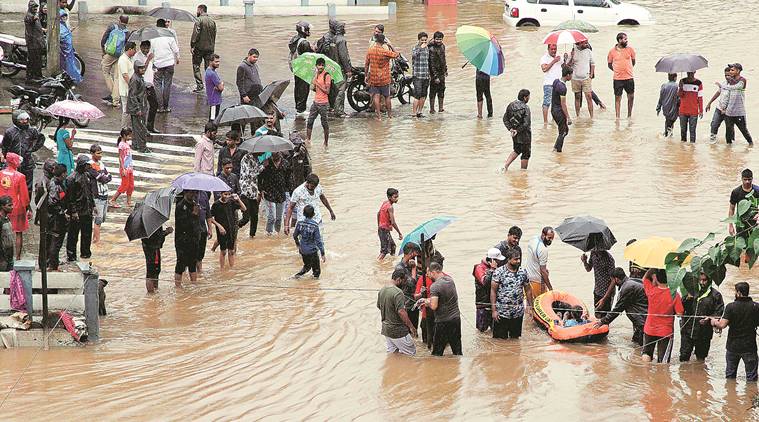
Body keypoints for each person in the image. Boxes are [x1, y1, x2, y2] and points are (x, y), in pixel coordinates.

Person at [707, 282, 759, 381]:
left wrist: (713, 321)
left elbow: (722, 325)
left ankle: (731, 394)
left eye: (735, 291)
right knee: (752, 378)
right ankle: (752, 395)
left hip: (733, 347)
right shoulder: (756, 307)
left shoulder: (731, 307)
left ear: (738, 292)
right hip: (750, 347)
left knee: (730, 377)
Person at [417, 262, 461, 356]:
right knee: (457, 350)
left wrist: (426, 301)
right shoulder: (450, 280)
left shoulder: (435, 286)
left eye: (429, 273)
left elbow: (434, 306)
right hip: (456, 319)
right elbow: (444, 299)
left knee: (437, 353)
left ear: (434, 272)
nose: (428, 275)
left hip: (443, 322)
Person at [641, 268, 684, 363]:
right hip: (665, 332)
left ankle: (644, 374)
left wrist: (652, 269)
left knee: (646, 353)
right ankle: (661, 377)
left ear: (656, 278)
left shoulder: (651, 290)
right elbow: (680, 313)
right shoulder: (674, 294)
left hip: (649, 328)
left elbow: (644, 279)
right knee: (663, 360)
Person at [679, 272, 724, 362]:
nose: (702, 283)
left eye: (704, 280)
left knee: (701, 358)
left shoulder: (715, 295)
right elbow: (681, 308)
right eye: (700, 280)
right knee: (684, 356)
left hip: (704, 332)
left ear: (709, 281)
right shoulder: (691, 291)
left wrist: (709, 318)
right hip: (687, 330)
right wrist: (688, 298)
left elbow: (719, 311)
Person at [596, 268, 648, 345]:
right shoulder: (630, 282)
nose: (612, 283)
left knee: (642, 347)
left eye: (612, 280)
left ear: (616, 279)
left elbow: (618, 309)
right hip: (643, 319)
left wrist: (603, 321)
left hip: (643, 321)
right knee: (636, 343)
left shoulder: (627, 287)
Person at [2, 111, 45, 199]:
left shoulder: (32, 130)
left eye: (26, 119)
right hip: (13, 164)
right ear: (15, 120)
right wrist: (8, 158)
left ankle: (26, 206)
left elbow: (41, 138)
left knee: (27, 187)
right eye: (21, 120)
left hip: (27, 163)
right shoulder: (10, 132)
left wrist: (32, 149)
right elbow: (5, 147)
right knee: (12, 185)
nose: (25, 121)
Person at [490, 248, 529, 339]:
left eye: (519, 258)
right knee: (499, 340)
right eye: (515, 259)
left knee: (515, 340)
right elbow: (493, 292)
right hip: (502, 313)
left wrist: (530, 307)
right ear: (508, 259)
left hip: (517, 313)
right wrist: (494, 310)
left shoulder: (523, 272)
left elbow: (528, 289)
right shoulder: (499, 272)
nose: (518, 261)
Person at [378, 269, 418, 356]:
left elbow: (379, 306)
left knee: (393, 355)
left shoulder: (382, 290)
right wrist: (411, 327)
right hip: (398, 331)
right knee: (411, 354)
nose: (404, 284)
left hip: (386, 329)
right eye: (403, 281)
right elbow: (401, 312)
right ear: (399, 279)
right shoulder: (398, 293)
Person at [0, 153, 30, 261]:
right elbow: (25, 197)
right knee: (18, 233)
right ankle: (17, 257)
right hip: (16, 207)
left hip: (2, 207)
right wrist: (27, 208)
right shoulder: (20, 176)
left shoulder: (0, 174)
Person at [66, 155, 95, 262]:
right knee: (73, 235)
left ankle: (85, 253)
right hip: (78, 211)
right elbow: (70, 197)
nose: (89, 166)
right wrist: (73, 212)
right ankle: (71, 255)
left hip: (87, 209)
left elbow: (89, 192)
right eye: (87, 164)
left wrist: (93, 206)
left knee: (87, 234)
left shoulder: (87, 175)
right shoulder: (72, 178)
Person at [365, 34, 400, 120]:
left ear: (376, 40)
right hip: (384, 78)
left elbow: (366, 64)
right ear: (383, 41)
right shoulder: (385, 52)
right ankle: (389, 116)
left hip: (374, 77)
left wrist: (366, 75)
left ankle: (379, 117)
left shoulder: (370, 50)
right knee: (387, 96)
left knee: (376, 96)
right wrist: (390, 45)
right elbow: (397, 55)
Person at [321, 19, 351, 116]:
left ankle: (333, 108)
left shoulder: (333, 39)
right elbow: (344, 56)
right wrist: (348, 70)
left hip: (332, 68)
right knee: (341, 91)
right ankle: (339, 111)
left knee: (334, 89)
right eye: (344, 28)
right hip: (340, 69)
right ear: (342, 29)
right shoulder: (341, 40)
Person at [211, 189, 245, 270]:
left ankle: (231, 269)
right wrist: (219, 226)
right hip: (222, 231)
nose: (227, 196)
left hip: (231, 230)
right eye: (225, 194)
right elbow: (210, 218)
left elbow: (244, 208)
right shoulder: (216, 204)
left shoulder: (231, 202)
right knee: (223, 251)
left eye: (229, 194)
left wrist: (238, 199)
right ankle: (222, 269)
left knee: (232, 251)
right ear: (221, 194)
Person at [257, 152, 290, 235]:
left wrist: (289, 190)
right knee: (272, 217)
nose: (275, 154)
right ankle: (269, 233)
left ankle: (277, 234)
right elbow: (259, 177)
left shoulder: (285, 163)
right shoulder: (266, 163)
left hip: (281, 193)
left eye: (277, 153)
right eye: (273, 153)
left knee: (279, 218)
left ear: (280, 153)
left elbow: (289, 177)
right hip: (269, 192)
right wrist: (261, 189)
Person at [151, 19, 180, 113]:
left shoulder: (153, 38)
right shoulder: (169, 36)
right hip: (169, 64)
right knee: (167, 85)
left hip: (158, 64)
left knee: (157, 85)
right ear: (164, 26)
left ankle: (160, 107)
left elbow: (150, 53)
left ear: (157, 26)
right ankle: (166, 107)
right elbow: (176, 50)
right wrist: (177, 58)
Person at [524, 227, 555, 314]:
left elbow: (533, 258)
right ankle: (533, 324)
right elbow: (543, 271)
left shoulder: (533, 239)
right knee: (540, 307)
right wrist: (550, 288)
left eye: (552, 238)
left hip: (527, 277)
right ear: (543, 235)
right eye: (549, 238)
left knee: (529, 304)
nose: (551, 241)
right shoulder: (543, 250)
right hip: (537, 281)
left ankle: (527, 322)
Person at [100, 15, 129, 105]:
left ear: (119, 20)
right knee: (117, 77)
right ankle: (115, 100)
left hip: (109, 53)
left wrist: (103, 51)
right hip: (120, 55)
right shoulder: (127, 32)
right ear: (127, 22)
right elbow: (127, 46)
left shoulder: (112, 27)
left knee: (105, 71)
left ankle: (113, 94)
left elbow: (103, 40)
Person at [721, 63, 753, 145]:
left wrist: (723, 86)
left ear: (738, 71)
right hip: (729, 111)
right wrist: (724, 107)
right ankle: (728, 151)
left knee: (744, 131)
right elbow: (727, 95)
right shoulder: (730, 80)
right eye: (730, 70)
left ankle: (751, 145)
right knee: (728, 132)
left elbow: (738, 87)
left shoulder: (742, 80)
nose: (730, 72)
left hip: (739, 112)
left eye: (732, 70)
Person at [174, 190, 201, 286]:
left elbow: (197, 224)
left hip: (194, 240)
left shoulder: (195, 205)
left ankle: (194, 285)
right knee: (180, 265)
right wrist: (193, 214)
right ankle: (178, 288)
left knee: (193, 264)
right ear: (185, 193)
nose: (193, 194)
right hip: (182, 240)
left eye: (195, 193)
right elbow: (183, 224)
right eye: (191, 192)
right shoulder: (180, 206)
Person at [607, 33, 636, 120]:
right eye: (625, 39)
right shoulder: (612, 51)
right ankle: (617, 117)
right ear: (619, 40)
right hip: (617, 79)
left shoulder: (630, 49)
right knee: (617, 98)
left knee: (631, 97)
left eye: (626, 39)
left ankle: (629, 115)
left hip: (629, 77)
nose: (626, 41)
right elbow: (609, 64)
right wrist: (616, 70)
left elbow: (633, 62)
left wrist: (628, 69)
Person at [474, 248, 503, 332]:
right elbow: (485, 283)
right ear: (492, 260)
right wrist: (492, 270)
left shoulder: (497, 268)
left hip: (494, 304)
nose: (500, 262)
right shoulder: (479, 268)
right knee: (482, 332)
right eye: (498, 260)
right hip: (483, 305)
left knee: (495, 331)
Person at [46, 164, 69, 270]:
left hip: (56, 217)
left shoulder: (58, 183)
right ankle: (53, 265)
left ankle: (52, 263)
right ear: (63, 174)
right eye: (65, 173)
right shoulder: (55, 185)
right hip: (55, 219)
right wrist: (62, 213)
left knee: (54, 241)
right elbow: (52, 202)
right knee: (55, 242)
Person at [293, 205, 325, 278]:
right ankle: (315, 287)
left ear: (303, 214)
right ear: (313, 214)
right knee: (317, 272)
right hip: (312, 251)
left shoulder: (299, 223)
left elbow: (295, 235)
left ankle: (297, 276)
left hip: (303, 250)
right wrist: (323, 253)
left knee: (307, 266)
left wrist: (298, 244)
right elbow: (318, 241)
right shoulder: (315, 226)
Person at [581, 248, 615, 317]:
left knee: (605, 318)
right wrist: (584, 261)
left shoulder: (609, 259)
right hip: (597, 290)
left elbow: (613, 280)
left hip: (607, 293)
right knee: (597, 315)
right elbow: (589, 269)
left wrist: (604, 299)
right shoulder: (593, 253)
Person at [503, 89, 532, 170]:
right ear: (525, 98)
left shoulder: (510, 105)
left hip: (514, 134)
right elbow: (526, 123)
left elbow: (505, 119)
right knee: (526, 154)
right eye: (528, 97)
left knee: (517, 150)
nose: (529, 99)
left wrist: (511, 129)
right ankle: (523, 173)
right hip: (525, 134)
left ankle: (505, 166)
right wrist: (517, 130)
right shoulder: (526, 108)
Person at [306, 57, 332, 146]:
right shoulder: (316, 74)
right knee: (310, 121)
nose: (321, 67)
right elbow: (316, 89)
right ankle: (308, 140)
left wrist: (318, 84)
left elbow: (327, 91)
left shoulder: (327, 76)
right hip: (315, 102)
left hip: (323, 103)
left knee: (324, 123)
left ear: (324, 66)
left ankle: (326, 143)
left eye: (322, 65)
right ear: (316, 66)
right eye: (319, 65)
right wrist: (313, 87)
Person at [191, 4, 216, 93]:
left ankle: (200, 86)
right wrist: (212, 47)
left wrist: (192, 46)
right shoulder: (212, 21)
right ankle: (210, 86)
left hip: (199, 48)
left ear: (200, 10)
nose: (196, 12)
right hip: (210, 48)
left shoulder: (198, 20)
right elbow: (214, 36)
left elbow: (195, 34)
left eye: (197, 10)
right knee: (208, 68)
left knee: (196, 66)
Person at [89, 144, 112, 244]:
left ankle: (95, 239)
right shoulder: (90, 165)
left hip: (104, 194)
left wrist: (105, 177)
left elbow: (109, 176)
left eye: (101, 153)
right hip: (97, 196)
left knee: (102, 219)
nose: (100, 155)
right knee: (98, 219)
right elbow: (102, 177)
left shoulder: (101, 164)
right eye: (98, 153)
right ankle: (97, 241)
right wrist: (105, 177)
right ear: (92, 153)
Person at [289, 21, 313, 115]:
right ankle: (301, 109)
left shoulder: (295, 39)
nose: (309, 31)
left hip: (296, 66)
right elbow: (309, 55)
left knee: (298, 87)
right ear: (303, 30)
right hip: (304, 68)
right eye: (308, 29)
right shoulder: (304, 42)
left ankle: (298, 107)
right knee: (303, 88)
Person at [238, 152, 264, 238]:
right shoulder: (246, 158)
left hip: (253, 192)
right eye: (262, 150)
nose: (264, 152)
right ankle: (233, 229)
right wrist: (263, 166)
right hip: (245, 191)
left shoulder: (256, 159)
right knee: (246, 218)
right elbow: (250, 174)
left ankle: (252, 237)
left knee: (255, 217)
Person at [396, 242, 421, 331]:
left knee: (414, 330)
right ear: (411, 253)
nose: (416, 256)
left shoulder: (410, 265)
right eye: (415, 254)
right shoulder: (400, 268)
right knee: (408, 331)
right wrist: (414, 269)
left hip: (414, 302)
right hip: (406, 304)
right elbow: (411, 283)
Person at [134, 40, 158, 133]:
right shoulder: (137, 57)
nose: (146, 50)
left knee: (154, 105)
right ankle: (142, 127)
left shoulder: (149, 55)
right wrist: (148, 59)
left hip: (150, 84)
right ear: (140, 47)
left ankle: (150, 125)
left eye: (147, 48)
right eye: (144, 48)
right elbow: (141, 70)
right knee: (143, 107)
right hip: (142, 84)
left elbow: (150, 68)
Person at [728, 168, 759, 237]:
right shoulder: (736, 192)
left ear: (752, 179)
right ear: (741, 179)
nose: (747, 182)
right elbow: (731, 209)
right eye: (745, 179)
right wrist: (730, 225)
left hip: (754, 222)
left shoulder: (757, 190)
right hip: (740, 223)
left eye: (749, 179)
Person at [141, 225, 173, 293]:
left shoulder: (149, 222)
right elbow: (157, 236)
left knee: (156, 270)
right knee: (151, 271)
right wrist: (166, 232)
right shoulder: (151, 222)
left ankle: (155, 290)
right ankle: (151, 293)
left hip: (151, 246)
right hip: (152, 247)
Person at [568, 40, 595, 118]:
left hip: (586, 78)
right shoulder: (573, 51)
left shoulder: (588, 51)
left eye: (587, 42)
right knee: (577, 97)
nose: (586, 44)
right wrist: (571, 58)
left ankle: (591, 117)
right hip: (575, 78)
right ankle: (578, 116)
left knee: (589, 96)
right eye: (584, 43)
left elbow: (592, 63)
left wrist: (591, 75)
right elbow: (568, 65)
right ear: (579, 43)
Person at [705, 67, 732, 143]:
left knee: (729, 128)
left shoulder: (734, 86)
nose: (727, 77)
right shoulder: (723, 83)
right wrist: (709, 103)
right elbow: (718, 93)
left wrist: (726, 109)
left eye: (729, 75)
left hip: (729, 111)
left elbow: (734, 100)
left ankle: (730, 145)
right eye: (725, 75)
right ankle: (712, 142)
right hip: (719, 108)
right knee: (714, 124)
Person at [110, 128, 134, 208]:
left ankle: (129, 201)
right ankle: (113, 199)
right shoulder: (121, 145)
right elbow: (120, 157)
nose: (130, 137)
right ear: (124, 135)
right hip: (125, 168)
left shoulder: (127, 143)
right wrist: (123, 168)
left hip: (129, 168)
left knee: (131, 185)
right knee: (124, 185)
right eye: (129, 135)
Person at [540, 44, 563, 124]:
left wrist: (568, 59)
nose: (554, 51)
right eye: (552, 49)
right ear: (548, 49)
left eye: (555, 49)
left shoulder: (559, 57)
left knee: (557, 103)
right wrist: (554, 61)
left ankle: (554, 120)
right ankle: (545, 122)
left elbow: (565, 67)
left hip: (558, 83)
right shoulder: (544, 58)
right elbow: (544, 69)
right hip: (548, 84)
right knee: (547, 102)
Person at [552, 66, 573, 153]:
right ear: (567, 75)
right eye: (571, 75)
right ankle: (557, 150)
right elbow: (563, 104)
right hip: (559, 111)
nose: (572, 77)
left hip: (553, 110)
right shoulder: (562, 88)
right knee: (563, 131)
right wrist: (568, 117)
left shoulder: (556, 81)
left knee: (564, 130)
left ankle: (556, 148)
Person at [677, 71, 703, 143]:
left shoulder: (699, 83)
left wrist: (701, 110)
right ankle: (683, 150)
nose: (690, 74)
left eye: (691, 72)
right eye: (688, 72)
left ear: (694, 72)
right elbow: (679, 95)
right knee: (683, 131)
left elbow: (700, 98)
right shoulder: (682, 81)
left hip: (694, 111)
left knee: (692, 132)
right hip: (683, 110)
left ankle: (692, 149)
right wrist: (681, 87)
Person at [377, 188, 402, 260]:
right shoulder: (390, 207)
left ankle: (391, 262)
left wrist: (379, 225)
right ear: (389, 197)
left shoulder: (385, 203)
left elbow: (378, 214)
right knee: (384, 251)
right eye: (395, 197)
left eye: (397, 196)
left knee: (393, 246)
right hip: (384, 230)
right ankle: (377, 264)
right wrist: (399, 233)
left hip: (382, 229)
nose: (397, 199)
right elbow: (393, 222)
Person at [24, 1, 46, 83]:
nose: (36, 9)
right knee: (32, 60)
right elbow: (30, 20)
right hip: (32, 42)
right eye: (34, 7)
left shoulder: (35, 15)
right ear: (30, 7)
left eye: (36, 7)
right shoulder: (29, 16)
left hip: (38, 41)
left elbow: (38, 28)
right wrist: (34, 18)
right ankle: (30, 77)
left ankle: (38, 75)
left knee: (38, 60)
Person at [116, 41, 137, 124]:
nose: (135, 51)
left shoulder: (129, 59)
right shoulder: (123, 60)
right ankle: (124, 128)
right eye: (134, 49)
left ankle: (128, 127)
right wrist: (132, 86)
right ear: (130, 49)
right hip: (126, 90)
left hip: (129, 89)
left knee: (130, 109)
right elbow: (125, 75)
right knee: (126, 110)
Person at [58, 10, 82, 84]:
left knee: (69, 65)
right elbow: (62, 37)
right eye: (62, 16)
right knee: (68, 65)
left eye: (65, 16)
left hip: (69, 50)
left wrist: (69, 31)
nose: (64, 18)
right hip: (65, 51)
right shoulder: (60, 26)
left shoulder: (63, 25)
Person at [428, 31, 447, 114]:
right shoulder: (431, 49)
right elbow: (431, 64)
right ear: (434, 39)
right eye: (437, 39)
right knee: (433, 92)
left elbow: (444, 59)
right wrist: (435, 76)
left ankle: (441, 108)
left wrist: (445, 69)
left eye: (440, 39)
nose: (438, 41)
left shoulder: (443, 46)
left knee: (442, 90)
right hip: (434, 73)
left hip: (442, 72)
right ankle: (432, 109)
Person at [411, 32, 430, 118]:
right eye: (422, 40)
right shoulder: (415, 48)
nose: (424, 42)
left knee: (424, 95)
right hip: (417, 76)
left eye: (425, 40)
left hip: (426, 76)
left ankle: (420, 112)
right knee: (417, 95)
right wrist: (420, 48)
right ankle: (414, 113)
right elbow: (413, 56)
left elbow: (428, 61)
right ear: (418, 40)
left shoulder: (427, 48)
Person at [656, 73, 679, 137]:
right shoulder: (677, 86)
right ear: (675, 77)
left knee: (668, 121)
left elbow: (661, 98)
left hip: (665, 107)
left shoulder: (664, 86)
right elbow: (679, 98)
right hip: (674, 108)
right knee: (671, 122)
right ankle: (668, 135)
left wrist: (658, 107)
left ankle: (668, 135)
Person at [205, 54, 224, 121]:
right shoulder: (212, 74)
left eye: (218, 61)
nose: (218, 63)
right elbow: (221, 88)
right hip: (214, 101)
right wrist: (222, 84)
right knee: (213, 120)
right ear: (210, 62)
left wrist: (219, 85)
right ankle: (210, 131)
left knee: (212, 118)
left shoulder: (208, 70)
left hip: (212, 99)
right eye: (216, 62)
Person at [0, 196, 14, 271]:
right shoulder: (0, 220)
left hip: (9, 255)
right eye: (9, 205)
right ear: (2, 206)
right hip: (2, 258)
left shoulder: (7, 219)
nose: (12, 207)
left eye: (12, 205)